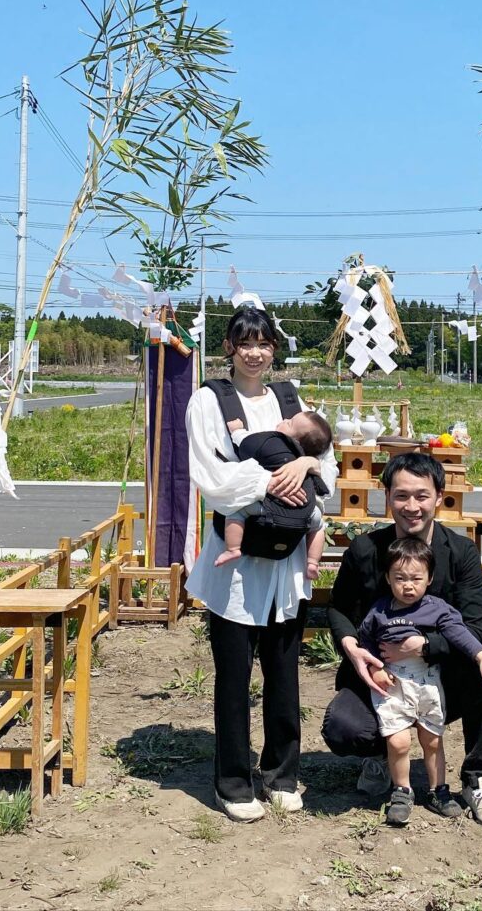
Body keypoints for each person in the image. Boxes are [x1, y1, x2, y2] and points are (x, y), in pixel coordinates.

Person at [185, 306, 338, 823]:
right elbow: (212, 476)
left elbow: (327, 466)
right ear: (229, 346)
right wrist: (275, 480)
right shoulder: (209, 400)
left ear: (275, 346)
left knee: (284, 669)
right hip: (236, 563)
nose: (255, 352)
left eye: (264, 342)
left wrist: (306, 463)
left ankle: (282, 772)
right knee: (233, 674)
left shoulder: (290, 398)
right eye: (244, 342)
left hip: (288, 562)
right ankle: (232, 781)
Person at [323, 451, 482, 831]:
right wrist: (351, 648)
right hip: (382, 678)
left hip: (440, 678)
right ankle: (382, 753)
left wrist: (423, 646)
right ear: (387, 496)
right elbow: (337, 609)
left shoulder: (460, 553)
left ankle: (478, 779)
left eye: (422, 496)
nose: (412, 507)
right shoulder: (365, 550)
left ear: (439, 496)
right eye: (401, 496)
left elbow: (477, 629)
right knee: (343, 727)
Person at [358, 536, 482, 825]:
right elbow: (366, 641)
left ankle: (439, 790)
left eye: (415, 579)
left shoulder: (437, 608)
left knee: (432, 740)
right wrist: (375, 667)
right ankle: (401, 791)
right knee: (397, 741)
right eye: (399, 578)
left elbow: (461, 634)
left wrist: (481, 656)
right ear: (387, 578)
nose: (408, 585)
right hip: (393, 685)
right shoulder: (380, 612)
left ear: (429, 578)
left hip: (426, 684)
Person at [214, 410, 332, 579]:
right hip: (305, 510)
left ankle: (232, 549)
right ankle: (313, 562)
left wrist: (237, 430)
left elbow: (247, 442)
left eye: (289, 423)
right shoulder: (309, 459)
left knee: (237, 510)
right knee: (319, 526)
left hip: (271, 508)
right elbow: (323, 488)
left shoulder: (274, 446)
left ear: (294, 440)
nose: (285, 419)